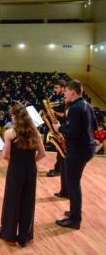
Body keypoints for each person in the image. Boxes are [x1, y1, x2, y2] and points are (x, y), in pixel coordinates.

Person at [0, 104, 46, 247]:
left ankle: (9, 235)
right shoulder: (35, 132)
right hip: (30, 170)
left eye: (12, 115)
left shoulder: (10, 133)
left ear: (16, 117)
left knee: (12, 202)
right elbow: (42, 154)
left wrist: (18, 162)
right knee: (28, 201)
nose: (11, 117)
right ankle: (24, 237)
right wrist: (30, 162)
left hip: (16, 169)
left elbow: (5, 155)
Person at [53, 80, 97, 229]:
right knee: (74, 183)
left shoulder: (75, 108)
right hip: (88, 149)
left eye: (66, 91)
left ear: (72, 91)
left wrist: (60, 129)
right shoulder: (87, 105)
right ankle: (74, 211)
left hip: (78, 151)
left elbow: (73, 133)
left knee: (73, 185)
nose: (64, 93)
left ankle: (74, 220)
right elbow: (94, 126)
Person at [47, 80, 66, 178]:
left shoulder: (66, 99)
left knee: (61, 149)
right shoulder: (56, 97)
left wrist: (54, 113)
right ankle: (58, 168)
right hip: (57, 125)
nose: (55, 90)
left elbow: (65, 115)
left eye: (57, 88)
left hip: (63, 126)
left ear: (63, 88)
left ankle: (59, 169)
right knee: (59, 149)